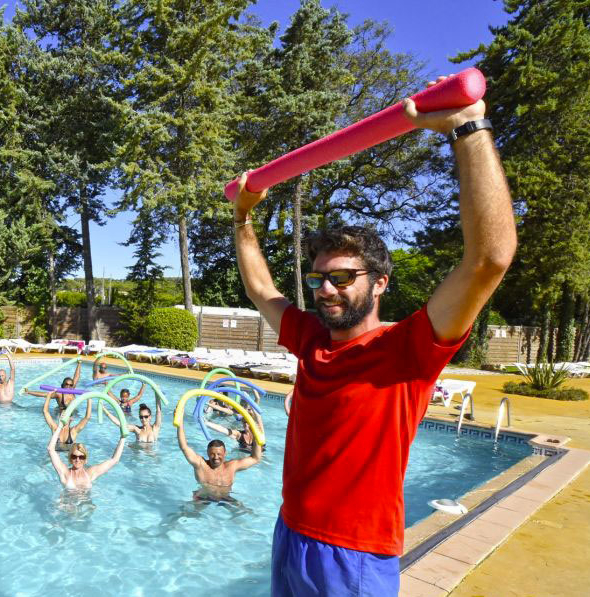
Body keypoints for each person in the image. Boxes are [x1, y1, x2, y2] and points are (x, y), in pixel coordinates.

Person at [232, 78, 515, 595]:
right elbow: (259, 289)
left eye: (342, 278)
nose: (326, 290)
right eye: (318, 278)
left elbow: (488, 259)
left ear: (380, 283)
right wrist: (243, 215)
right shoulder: (311, 337)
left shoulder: (409, 349)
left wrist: (467, 125)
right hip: (290, 531)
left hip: (354, 554)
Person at [176, 418, 261, 502]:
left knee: (245, 511)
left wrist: (255, 434)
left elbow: (255, 458)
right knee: (189, 513)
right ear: (208, 453)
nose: (216, 457)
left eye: (219, 454)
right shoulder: (200, 465)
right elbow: (184, 447)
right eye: (212, 454)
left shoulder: (232, 466)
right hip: (203, 497)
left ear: (225, 453)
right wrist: (179, 422)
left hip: (226, 497)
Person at [47, 424, 125, 491]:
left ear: (86, 459)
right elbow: (50, 449)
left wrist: (123, 437)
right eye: (74, 456)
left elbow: (115, 460)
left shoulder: (90, 473)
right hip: (68, 507)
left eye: (81, 457)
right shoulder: (65, 473)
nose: (78, 460)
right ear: (70, 458)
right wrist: (60, 427)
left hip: (86, 506)